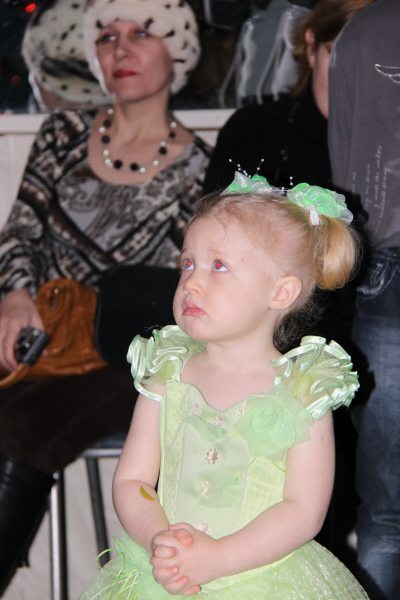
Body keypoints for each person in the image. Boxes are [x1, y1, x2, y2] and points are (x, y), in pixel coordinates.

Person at [0, 0, 210, 593]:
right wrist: (15, 295)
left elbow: (182, 291)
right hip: (41, 339)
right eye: (108, 36)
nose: (121, 49)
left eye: (142, 33)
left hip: (128, 360)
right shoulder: (62, 133)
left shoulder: (199, 167)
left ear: (178, 52)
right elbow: (20, 232)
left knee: (19, 427)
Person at [80, 173, 369, 599]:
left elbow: (303, 510)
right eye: (187, 263)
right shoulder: (169, 372)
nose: (191, 282)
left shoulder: (303, 391)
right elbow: (132, 479)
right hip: (165, 574)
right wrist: (161, 541)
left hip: (263, 581)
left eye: (219, 266)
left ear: (280, 293)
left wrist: (218, 558)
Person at [328, 1, 400, 598]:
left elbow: (346, 171)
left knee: (386, 508)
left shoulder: (362, 31)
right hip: (385, 264)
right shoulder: (363, 31)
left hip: (384, 261)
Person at [203, 0, 372, 193]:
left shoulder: (391, 146)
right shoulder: (252, 131)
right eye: (337, 57)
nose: (351, 78)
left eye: (371, 64)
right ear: (311, 47)